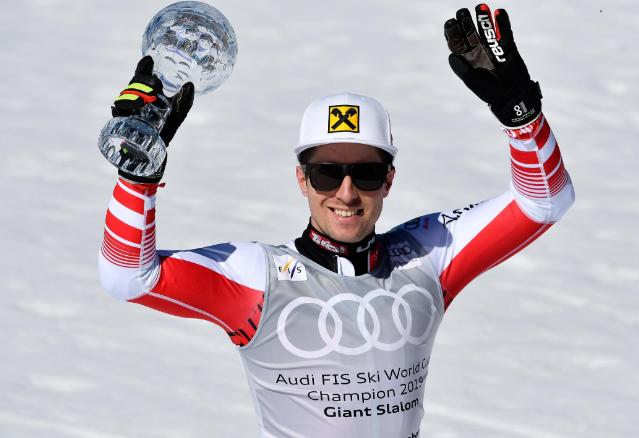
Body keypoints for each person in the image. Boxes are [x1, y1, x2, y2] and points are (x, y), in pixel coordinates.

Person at [98, 4, 574, 437]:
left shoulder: (426, 257)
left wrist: (522, 116)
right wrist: (137, 174)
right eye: (328, 174)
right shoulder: (258, 277)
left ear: (389, 180)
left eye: (365, 173)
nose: (346, 192)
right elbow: (128, 277)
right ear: (301, 180)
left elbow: (545, 200)